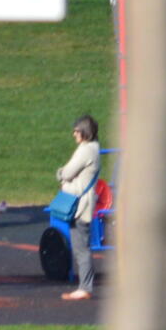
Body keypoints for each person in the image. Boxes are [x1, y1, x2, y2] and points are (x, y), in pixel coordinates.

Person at [56, 116, 101, 301]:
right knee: (81, 246)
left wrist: (61, 174)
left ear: (84, 132)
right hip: (83, 202)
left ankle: (85, 287)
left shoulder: (85, 151)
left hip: (80, 204)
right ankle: (85, 286)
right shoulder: (93, 148)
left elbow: (67, 172)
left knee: (81, 247)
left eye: (77, 130)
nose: (74, 133)